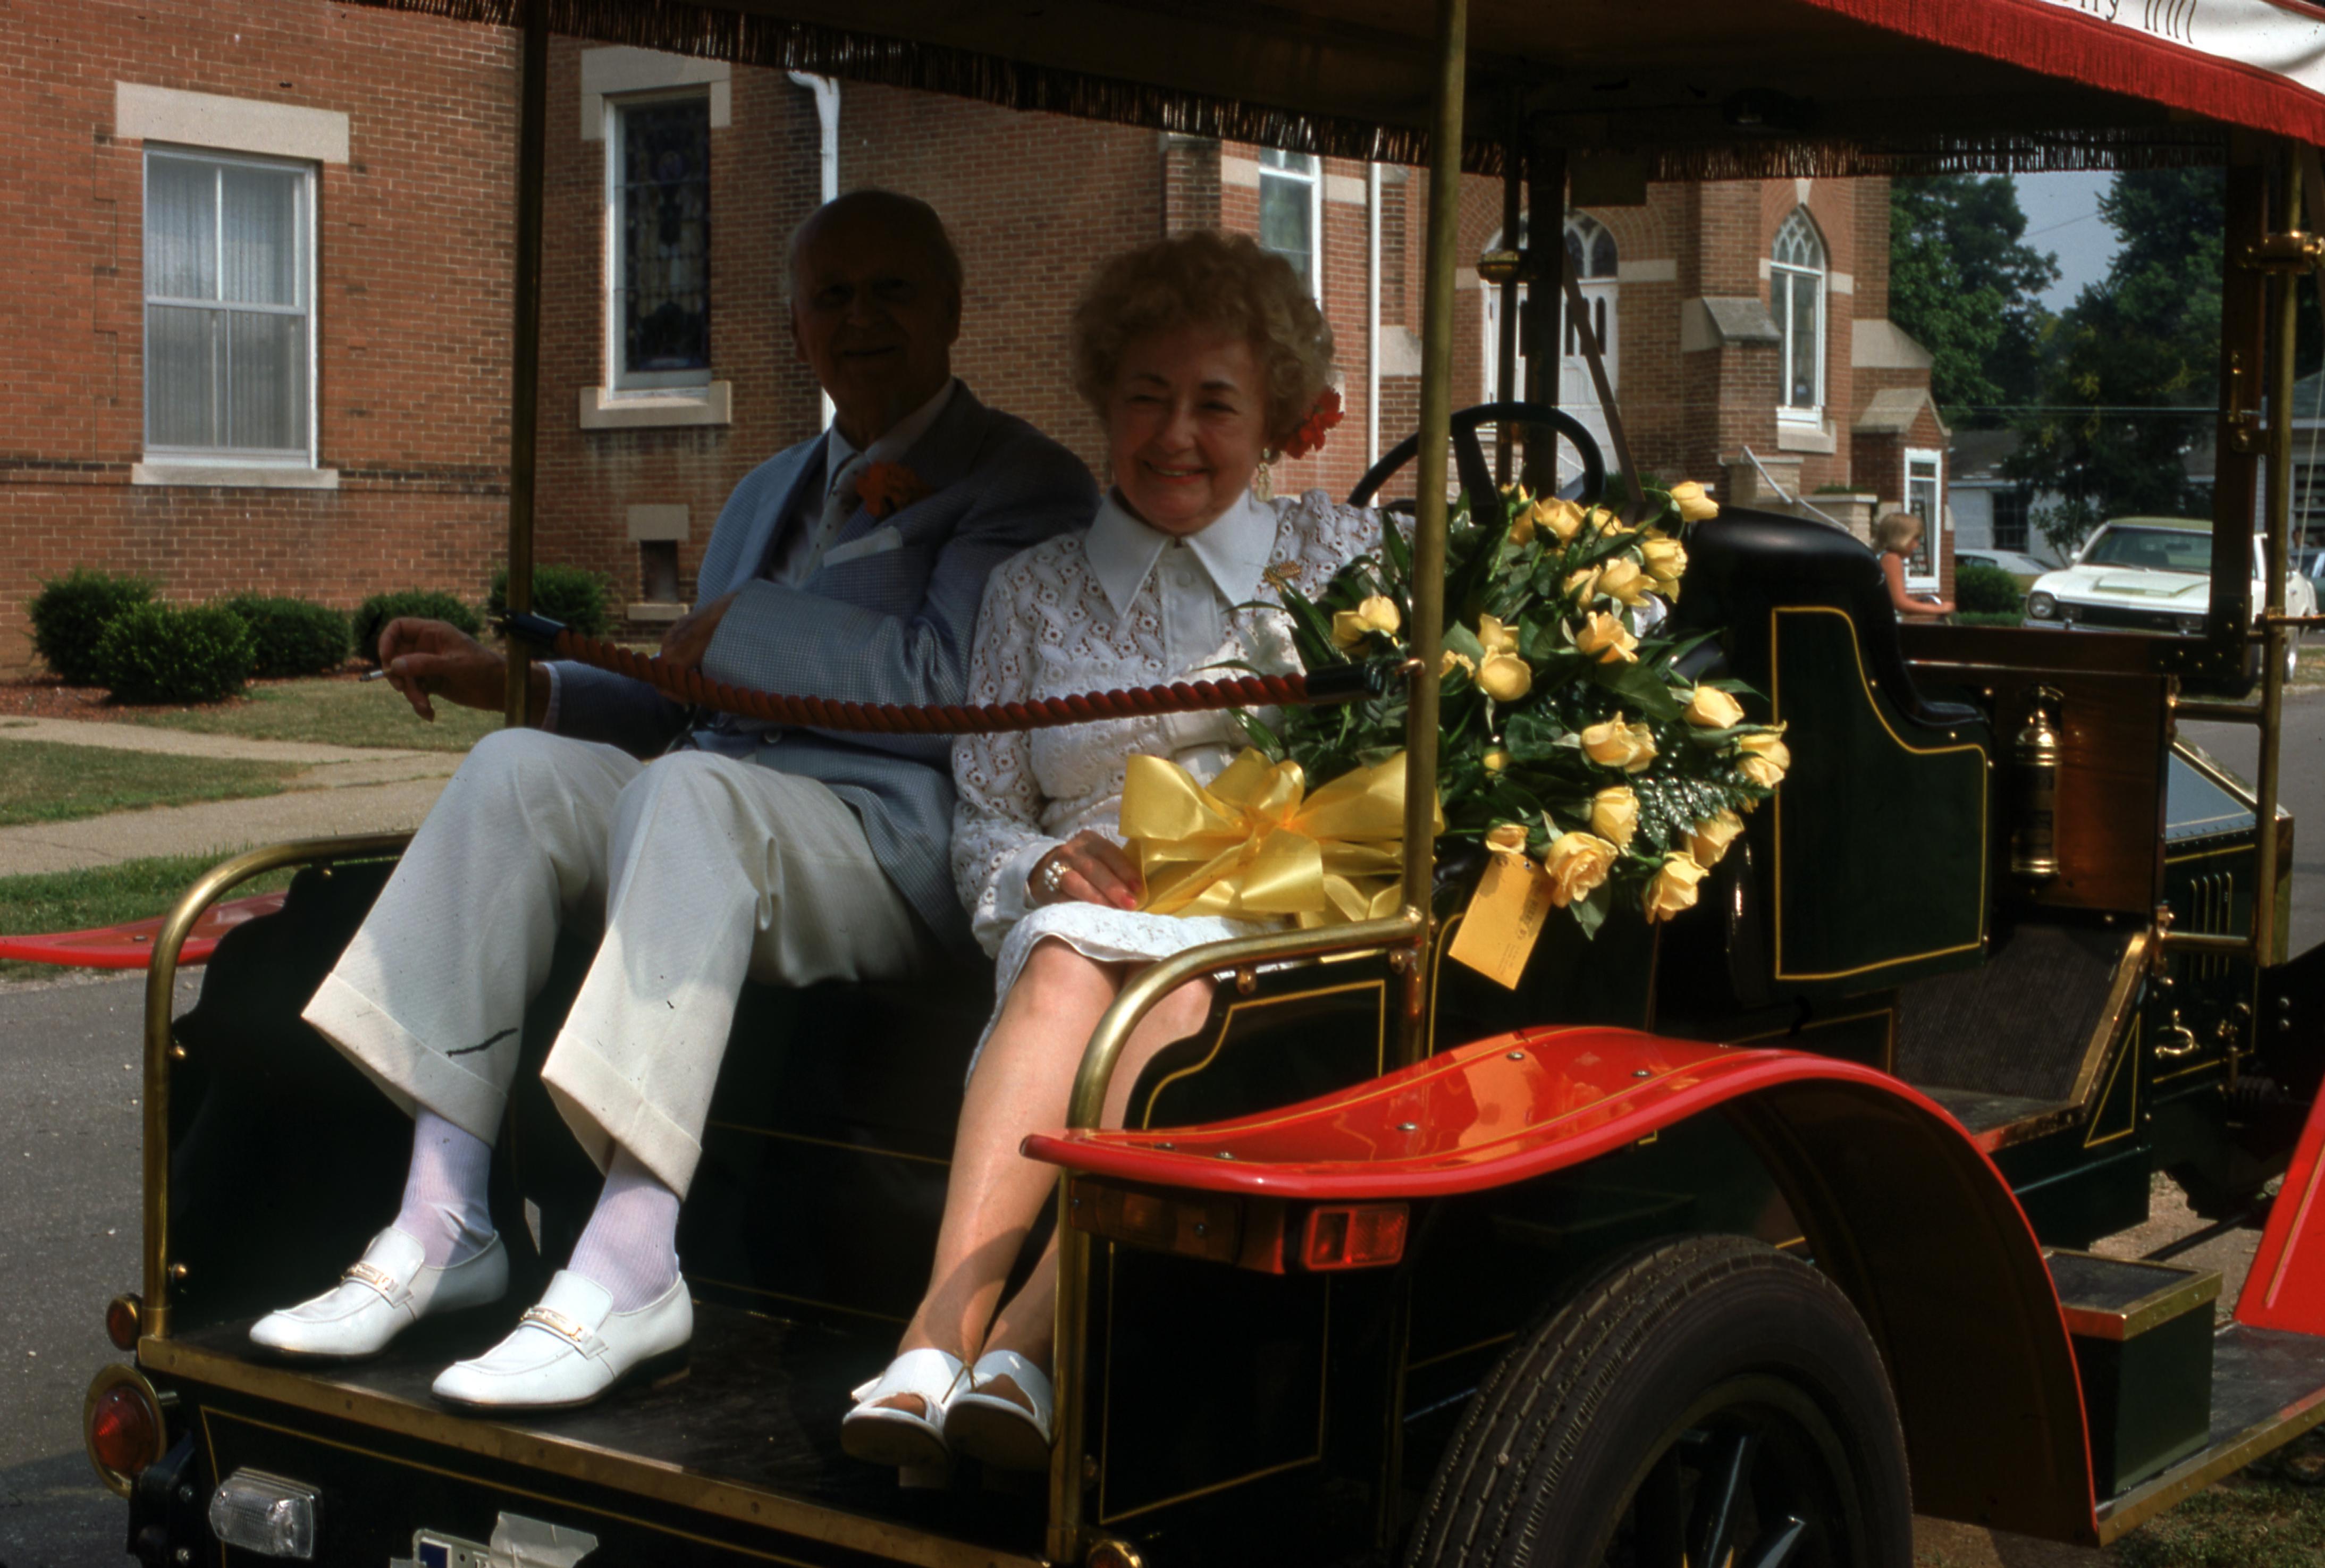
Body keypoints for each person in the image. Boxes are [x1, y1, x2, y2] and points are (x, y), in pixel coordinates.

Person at [247, 189, 1098, 1411]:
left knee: (691, 792)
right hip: (713, 811)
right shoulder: (764, 491)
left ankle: (633, 1256)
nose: (861, 317)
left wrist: (750, 626)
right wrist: (514, 682)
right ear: (796, 328)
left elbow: (950, 687)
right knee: (513, 772)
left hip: (890, 838)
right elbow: (683, 694)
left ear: (953, 308)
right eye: (832, 295)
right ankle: (444, 1214)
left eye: (893, 290)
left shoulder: (1024, 481)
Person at [840, 229, 1375, 1473]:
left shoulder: (1343, 559)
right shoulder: (1031, 592)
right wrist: (1042, 869)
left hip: (1283, 920)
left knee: (1166, 980)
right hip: (1079, 930)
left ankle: (1029, 1337)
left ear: (1273, 417)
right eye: (1146, 396)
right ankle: (938, 1335)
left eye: (1214, 403)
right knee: (1066, 956)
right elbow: (985, 815)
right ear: (1103, 398)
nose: (1175, 435)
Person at [1874, 509, 1954, 618]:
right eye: (1915, 539)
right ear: (1902, 539)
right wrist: (1940, 608)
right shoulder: (1891, 559)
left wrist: (1917, 604)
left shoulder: (1881, 556)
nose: (1917, 545)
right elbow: (1900, 603)